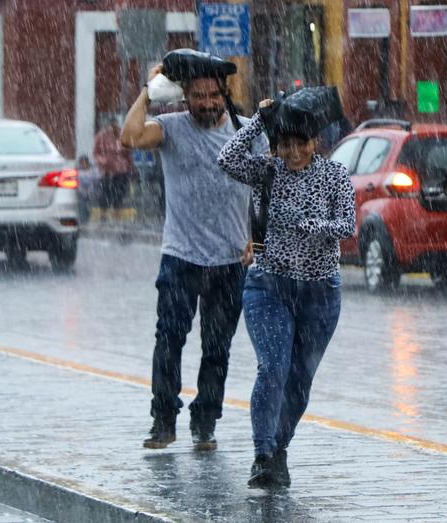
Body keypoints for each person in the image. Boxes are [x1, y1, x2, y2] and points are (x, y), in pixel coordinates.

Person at [120, 52, 267, 451]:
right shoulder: (170, 128)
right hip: (181, 256)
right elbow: (129, 136)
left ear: (224, 94)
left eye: (213, 95)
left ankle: (205, 422)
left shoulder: (248, 131)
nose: (207, 102)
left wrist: (258, 241)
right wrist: (149, 93)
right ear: (184, 97)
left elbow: (266, 189)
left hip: (230, 260)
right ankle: (163, 421)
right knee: (169, 341)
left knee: (217, 348)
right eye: (198, 95)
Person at [217, 88, 356, 488]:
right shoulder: (268, 171)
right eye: (285, 145)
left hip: (319, 294)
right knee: (272, 368)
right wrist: (260, 120)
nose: (293, 153)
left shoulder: (334, 175)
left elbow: (346, 225)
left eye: (301, 143)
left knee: (299, 378)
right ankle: (262, 454)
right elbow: (226, 158)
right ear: (275, 147)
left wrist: (309, 227)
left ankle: (279, 449)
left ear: (315, 142)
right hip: (269, 286)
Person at [93, 116, 134, 222]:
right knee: (105, 193)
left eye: (115, 125)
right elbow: (96, 153)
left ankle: (117, 215)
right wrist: (103, 162)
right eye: (112, 126)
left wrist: (130, 167)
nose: (114, 128)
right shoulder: (101, 136)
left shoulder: (122, 135)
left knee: (120, 193)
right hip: (107, 171)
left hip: (122, 170)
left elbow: (128, 153)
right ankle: (104, 215)